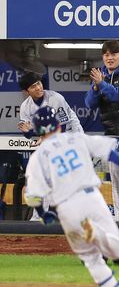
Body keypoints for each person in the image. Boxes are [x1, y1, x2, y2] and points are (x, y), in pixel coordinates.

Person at [24, 106, 119, 287]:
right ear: (58, 125)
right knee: (117, 251)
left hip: (67, 209)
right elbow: (110, 153)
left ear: (37, 130)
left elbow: (33, 196)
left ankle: (95, 236)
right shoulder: (76, 138)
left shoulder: (38, 156)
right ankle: (97, 234)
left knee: (91, 260)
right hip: (91, 198)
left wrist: (42, 214)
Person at [85, 40, 119, 222]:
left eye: (113, 54)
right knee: (117, 181)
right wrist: (95, 87)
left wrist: (102, 85)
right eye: (106, 55)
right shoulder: (100, 75)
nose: (110, 58)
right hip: (112, 134)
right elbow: (89, 103)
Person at [18, 72, 84, 220]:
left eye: (39, 83)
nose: (38, 87)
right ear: (26, 91)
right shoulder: (25, 107)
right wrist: (29, 132)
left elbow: (63, 126)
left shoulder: (55, 98)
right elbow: (29, 133)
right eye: (33, 86)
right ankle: (38, 216)